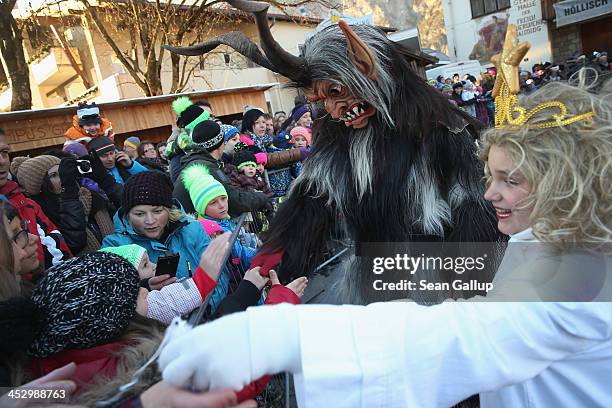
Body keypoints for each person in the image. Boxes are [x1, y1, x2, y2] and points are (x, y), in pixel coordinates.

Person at [157, 61, 612, 408]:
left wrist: (273, 337)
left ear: (563, 180)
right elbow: (312, 202)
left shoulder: (581, 268)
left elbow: (465, 336)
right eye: (490, 175)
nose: (489, 192)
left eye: (510, 180)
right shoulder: (551, 236)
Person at [12, 154, 113, 255]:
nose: (63, 177)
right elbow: (75, 243)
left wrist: (104, 179)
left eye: (62, 171)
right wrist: (69, 193)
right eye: (54, 175)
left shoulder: (90, 196)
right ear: (41, 186)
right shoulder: (44, 215)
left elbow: (124, 214)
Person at [0, 130, 72, 270]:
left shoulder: (27, 204)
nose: (2, 161)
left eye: (4, 152)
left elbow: (61, 249)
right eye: (53, 175)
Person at [172, 119, 271, 217]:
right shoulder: (207, 168)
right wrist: (262, 197)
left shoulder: (196, 163)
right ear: (220, 144)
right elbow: (234, 201)